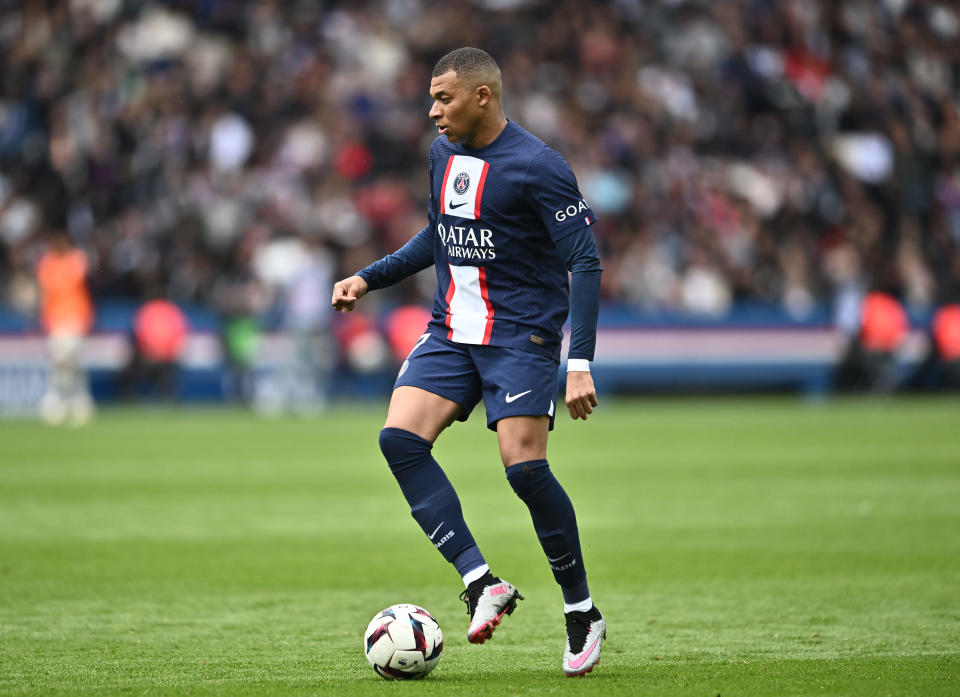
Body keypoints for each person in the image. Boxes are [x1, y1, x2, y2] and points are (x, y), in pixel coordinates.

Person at [332, 47, 605, 676]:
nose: (432, 111)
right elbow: (439, 233)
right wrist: (368, 279)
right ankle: (482, 582)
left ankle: (582, 610)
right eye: (431, 98)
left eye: (443, 98)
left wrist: (581, 362)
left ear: (483, 96)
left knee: (524, 472)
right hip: (452, 328)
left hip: (521, 335)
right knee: (399, 439)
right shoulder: (442, 154)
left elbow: (584, 261)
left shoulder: (539, 166)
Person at [35, 231, 96, 425]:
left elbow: (78, 274)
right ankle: (61, 400)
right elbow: (47, 292)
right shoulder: (48, 263)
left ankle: (77, 400)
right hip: (56, 319)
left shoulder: (74, 260)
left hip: (74, 317)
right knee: (59, 361)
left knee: (71, 360)